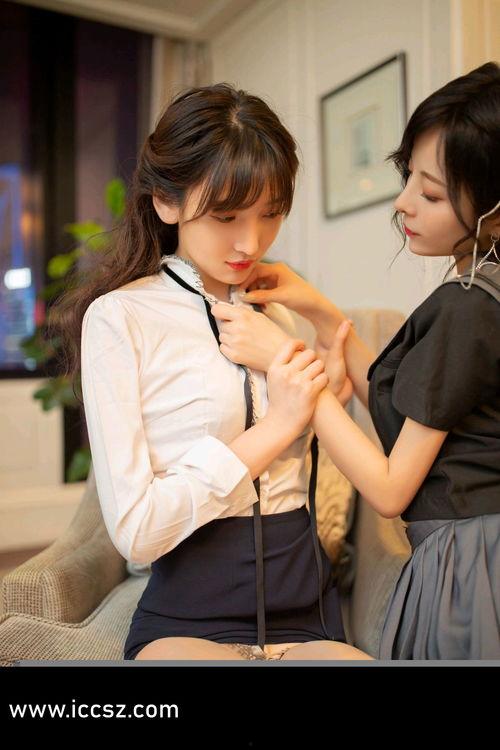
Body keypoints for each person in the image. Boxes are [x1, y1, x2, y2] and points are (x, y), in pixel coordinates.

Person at [58, 83, 371, 661]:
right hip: (188, 615)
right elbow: (136, 532)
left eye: (270, 214)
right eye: (226, 216)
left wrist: (321, 384)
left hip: (305, 607)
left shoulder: (278, 316)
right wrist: (278, 426)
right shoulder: (120, 318)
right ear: (166, 202)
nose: (251, 242)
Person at [212, 62, 500, 659]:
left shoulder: (469, 306)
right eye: (408, 176)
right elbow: (407, 405)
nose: (403, 203)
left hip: (471, 564)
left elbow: (390, 490)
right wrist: (320, 311)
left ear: (495, 211)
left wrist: (287, 366)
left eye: (431, 193)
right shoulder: (481, 294)